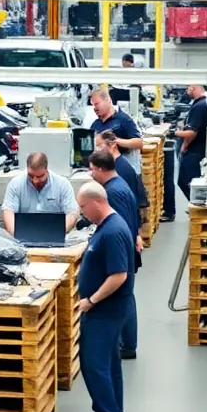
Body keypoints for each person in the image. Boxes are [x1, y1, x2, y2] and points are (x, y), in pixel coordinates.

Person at [73, 181, 134, 412]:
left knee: (94, 363)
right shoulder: (107, 226)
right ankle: (108, 411)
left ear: (96, 202)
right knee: (109, 363)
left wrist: (92, 300)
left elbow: (118, 275)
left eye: (83, 207)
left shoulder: (112, 232)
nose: (82, 213)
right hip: (105, 309)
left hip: (105, 309)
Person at [89, 149, 142, 360]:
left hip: (123, 254)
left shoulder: (112, 192)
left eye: (92, 169)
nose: (90, 174)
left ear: (101, 169)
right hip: (128, 250)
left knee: (124, 297)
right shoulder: (120, 184)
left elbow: (118, 226)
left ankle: (127, 345)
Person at [1, 152, 79, 236]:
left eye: (40, 176)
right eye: (30, 176)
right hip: (23, 236)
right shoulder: (16, 184)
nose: (35, 181)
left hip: (54, 235)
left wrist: (59, 233)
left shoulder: (62, 184)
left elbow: (72, 213)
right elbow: (8, 211)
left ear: (47, 170)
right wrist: (15, 233)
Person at [89, 87, 143, 171]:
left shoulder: (123, 120)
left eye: (96, 104)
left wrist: (116, 141)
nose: (94, 108)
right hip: (103, 169)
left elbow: (139, 143)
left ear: (107, 100)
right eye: (93, 105)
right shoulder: (95, 124)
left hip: (122, 168)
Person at [177, 83, 207, 201]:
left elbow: (192, 132)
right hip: (201, 148)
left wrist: (176, 133)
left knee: (186, 181)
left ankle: (197, 206)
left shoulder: (199, 106)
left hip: (195, 151)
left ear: (194, 87)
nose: (187, 90)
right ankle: (197, 206)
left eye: (188, 87)